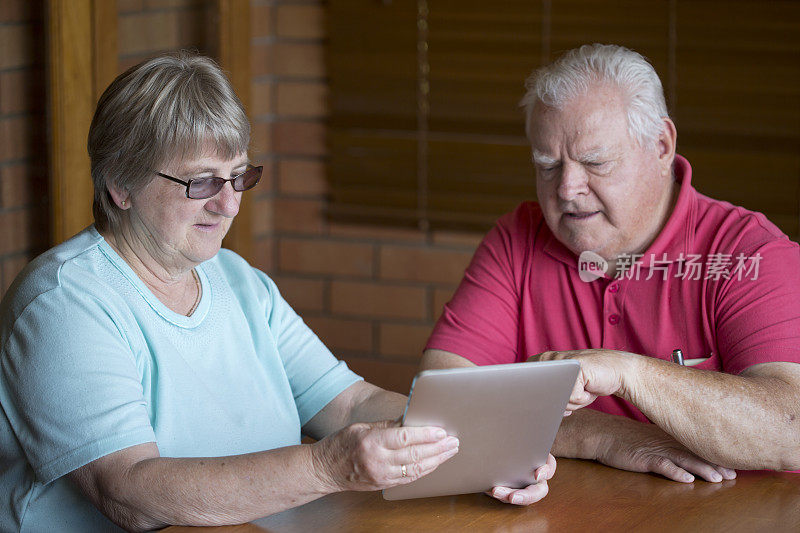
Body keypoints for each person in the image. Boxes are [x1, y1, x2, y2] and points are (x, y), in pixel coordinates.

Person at [0, 53, 555, 533]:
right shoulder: (63, 303)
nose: (229, 204)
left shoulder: (238, 280)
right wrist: (327, 469)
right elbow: (130, 494)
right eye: (201, 183)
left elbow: (351, 404)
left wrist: (485, 444)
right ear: (120, 185)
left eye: (239, 176)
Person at [422, 43, 800, 483]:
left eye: (595, 162)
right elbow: (440, 407)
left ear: (661, 145)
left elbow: (791, 429)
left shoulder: (747, 252)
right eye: (547, 165)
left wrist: (627, 372)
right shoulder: (515, 239)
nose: (566, 188)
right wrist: (602, 437)